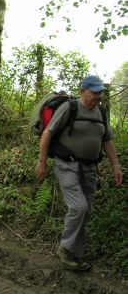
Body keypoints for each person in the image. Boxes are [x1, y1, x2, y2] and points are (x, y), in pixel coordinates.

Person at [35, 75, 123, 272]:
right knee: (79, 207)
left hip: (90, 168)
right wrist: (42, 162)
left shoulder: (101, 111)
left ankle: (76, 255)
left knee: (86, 211)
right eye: (94, 92)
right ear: (83, 90)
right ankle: (65, 249)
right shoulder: (70, 108)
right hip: (67, 165)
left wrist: (116, 165)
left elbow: (107, 139)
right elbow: (48, 133)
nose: (98, 96)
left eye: (100, 92)